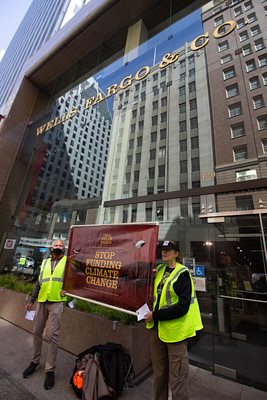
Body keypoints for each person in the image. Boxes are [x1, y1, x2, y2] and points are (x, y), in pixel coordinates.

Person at [144, 239, 203, 400]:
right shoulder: (160, 270)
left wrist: (155, 315)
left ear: (176, 254)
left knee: (177, 380)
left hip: (176, 333)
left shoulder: (183, 274)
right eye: (163, 249)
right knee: (159, 375)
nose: (164, 252)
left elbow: (182, 308)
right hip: (158, 331)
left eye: (169, 250)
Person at [22, 239, 67, 390]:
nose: (58, 247)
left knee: (52, 335)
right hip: (42, 300)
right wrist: (31, 300)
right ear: (51, 247)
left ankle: (50, 370)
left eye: (61, 246)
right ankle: (35, 361)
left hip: (57, 301)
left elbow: (74, 280)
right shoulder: (46, 262)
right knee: (37, 332)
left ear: (64, 249)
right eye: (56, 245)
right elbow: (38, 283)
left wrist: (69, 290)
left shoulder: (67, 262)